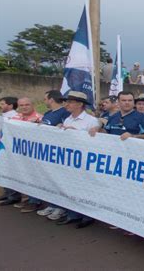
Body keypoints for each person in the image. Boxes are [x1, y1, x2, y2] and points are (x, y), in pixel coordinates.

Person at [55, 91, 101, 228]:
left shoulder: (91, 121)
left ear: (80, 104)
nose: (66, 104)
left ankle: (87, 216)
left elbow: (95, 142)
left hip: (84, 161)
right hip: (70, 160)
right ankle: (73, 214)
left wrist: (76, 133)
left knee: (85, 189)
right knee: (71, 187)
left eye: (70, 102)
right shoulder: (68, 119)